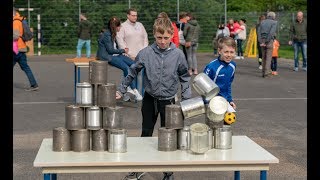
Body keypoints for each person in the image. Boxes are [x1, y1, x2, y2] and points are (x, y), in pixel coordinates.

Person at [116, 17, 192, 180]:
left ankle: (168, 171)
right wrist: (121, 89)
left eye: (166, 38)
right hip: (150, 99)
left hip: (169, 102)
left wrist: (186, 100)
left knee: (169, 137)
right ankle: (139, 168)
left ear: (172, 35)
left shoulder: (178, 55)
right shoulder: (146, 53)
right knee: (145, 134)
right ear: (154, 35)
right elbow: (132, 72)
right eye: (159, 38)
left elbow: (185, 77)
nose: (162, 41)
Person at [96, 16, 142, 101]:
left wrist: (122, 51)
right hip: (108, 57)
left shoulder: (112, 33)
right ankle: (134, 90)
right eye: (119, 26)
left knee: (134, 65)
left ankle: (128, 88)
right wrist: (122, 50)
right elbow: (110, 50)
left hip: (115, 55)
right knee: (126, 68)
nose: (120, 27)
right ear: (115, 27)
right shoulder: (106, 35)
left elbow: (114, 47)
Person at [116, 8, 149, 97]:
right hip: (130, 56)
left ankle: (141, 94)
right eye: (133, 15)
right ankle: (129, 94)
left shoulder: (140, 25)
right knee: (130, 75)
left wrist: (144, 50)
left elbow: (145, 37)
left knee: (142, 76)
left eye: (136, 15)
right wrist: (129, 54)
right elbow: (120, 41)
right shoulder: (122, 26)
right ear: (128, 15)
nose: (135, 17)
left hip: (141, 55)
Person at [203, 36, 237, 110]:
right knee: (214, 121)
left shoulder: (233, 66)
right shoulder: (211, 67)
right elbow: (203, 87)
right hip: (211, 102)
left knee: (229, 120)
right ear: (219, 51)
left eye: (232, 52)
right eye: (226, 52)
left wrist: (230, 100)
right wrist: (208, 103)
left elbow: (228, 84)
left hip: (224, 101)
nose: (229, 55)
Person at [13, 7, 39, 91]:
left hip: (16, 49)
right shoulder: (19, 19)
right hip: (21, 48)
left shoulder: (15, 21)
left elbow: (15, 36)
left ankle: (34, 85)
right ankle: (34, 85)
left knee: (26, 67)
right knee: (26, 67)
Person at [257, 11, 278, 78]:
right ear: (273, 17)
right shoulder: (274, 22)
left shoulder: (262, 22)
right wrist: (266, 41)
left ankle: (263, 72)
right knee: (268, 57)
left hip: (262, 40)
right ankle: (266, 73)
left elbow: (258, 32)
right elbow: (271, 33)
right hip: (269, 41)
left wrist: (261, 41)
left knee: (263, 57)